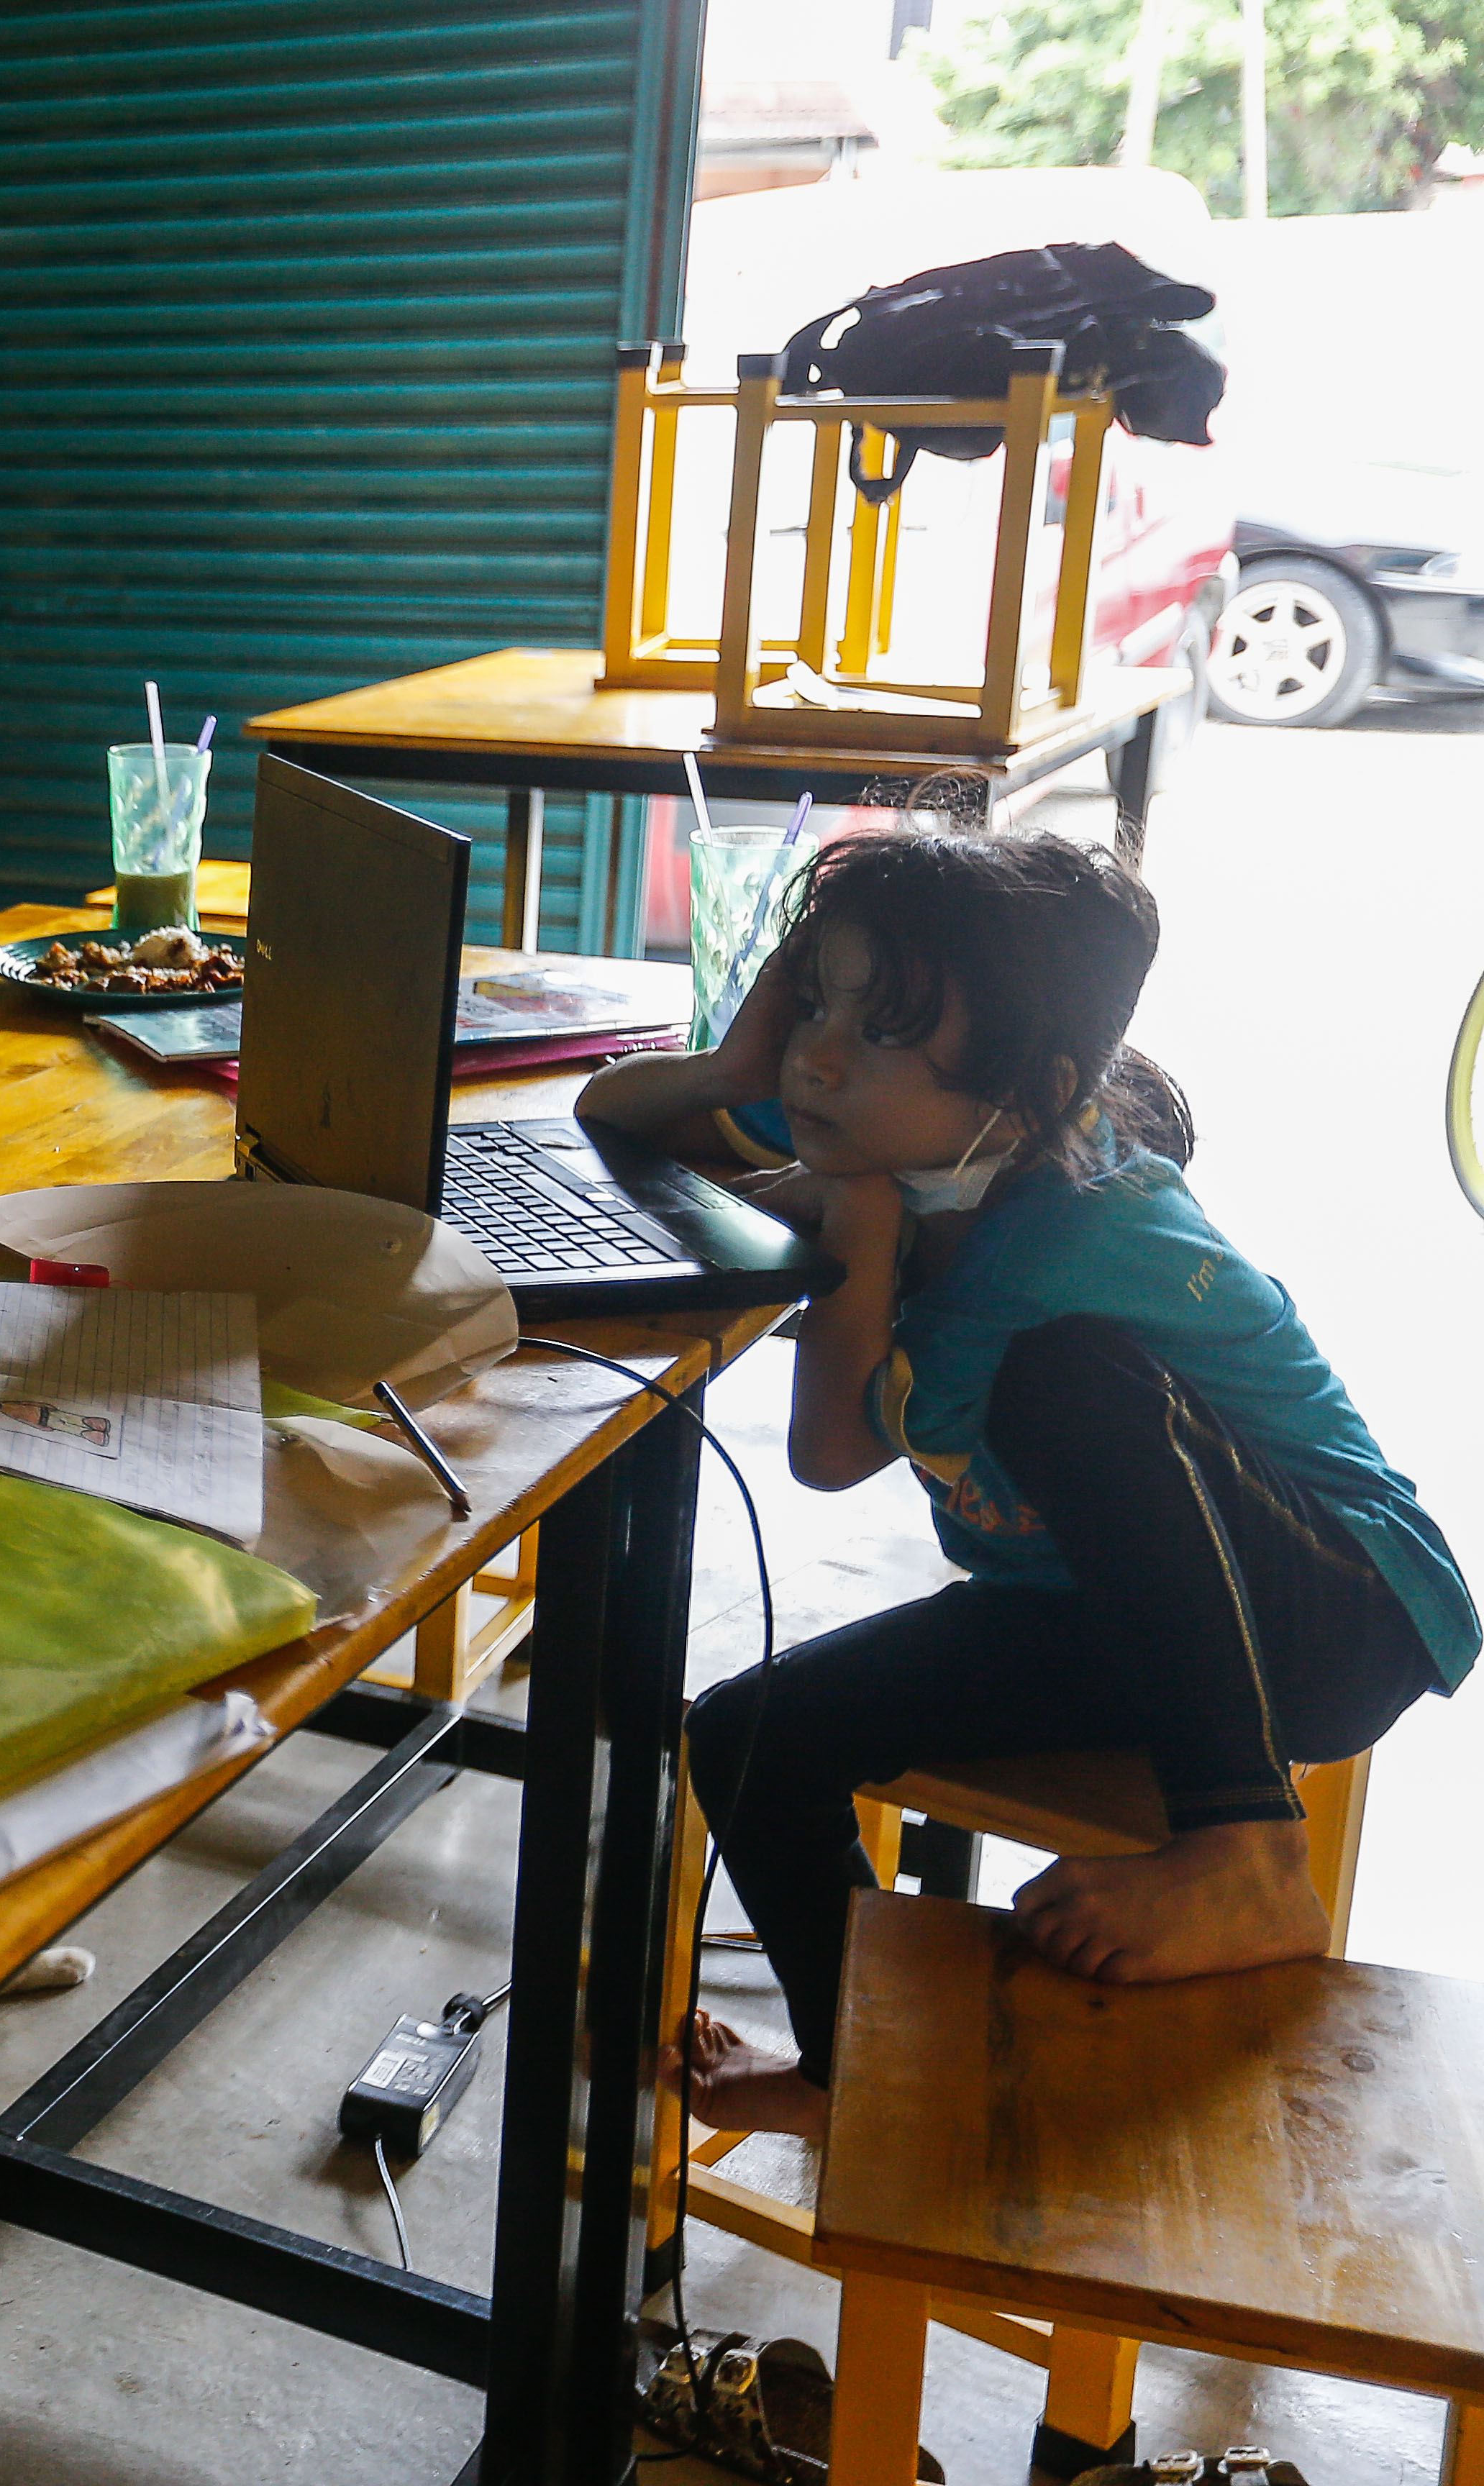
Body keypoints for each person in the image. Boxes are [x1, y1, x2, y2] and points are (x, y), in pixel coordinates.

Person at [577, 829, 1475, 2144]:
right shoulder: (892, 1120)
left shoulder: (1065, 1241)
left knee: (1072, 1382)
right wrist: (732, 1070)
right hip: (1104, 1608)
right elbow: (610, 1118)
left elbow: (831, 1455)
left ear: (1026, 1090)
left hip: (1336, 1610)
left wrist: (861, 1240)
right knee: (747, 1733)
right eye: (817, 1001)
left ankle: (1247, 1847)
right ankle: (851, 2074)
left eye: (875, 1030)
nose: (819, 1054)